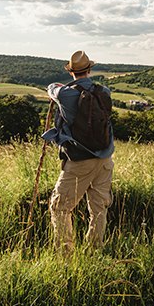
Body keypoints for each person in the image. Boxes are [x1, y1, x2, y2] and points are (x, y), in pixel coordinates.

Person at [43, 50, 114, 254]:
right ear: (89, 69)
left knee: (59, 207)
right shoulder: (104, 91)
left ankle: (65, 254)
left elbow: (51, 88)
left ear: (71, 71)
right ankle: (94, 250)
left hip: (79, 160)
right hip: (105, 158)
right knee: (99, 208)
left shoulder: (65, 94)